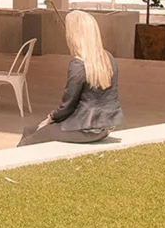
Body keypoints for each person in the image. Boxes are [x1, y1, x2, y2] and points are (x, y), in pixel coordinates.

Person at [19, 10, 124, 146]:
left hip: (84, 128)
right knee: (29, 129)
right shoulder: (107, 58)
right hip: (103, 127)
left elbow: (68, 105)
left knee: (28, 141)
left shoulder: (78, 64)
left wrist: (50, 118)